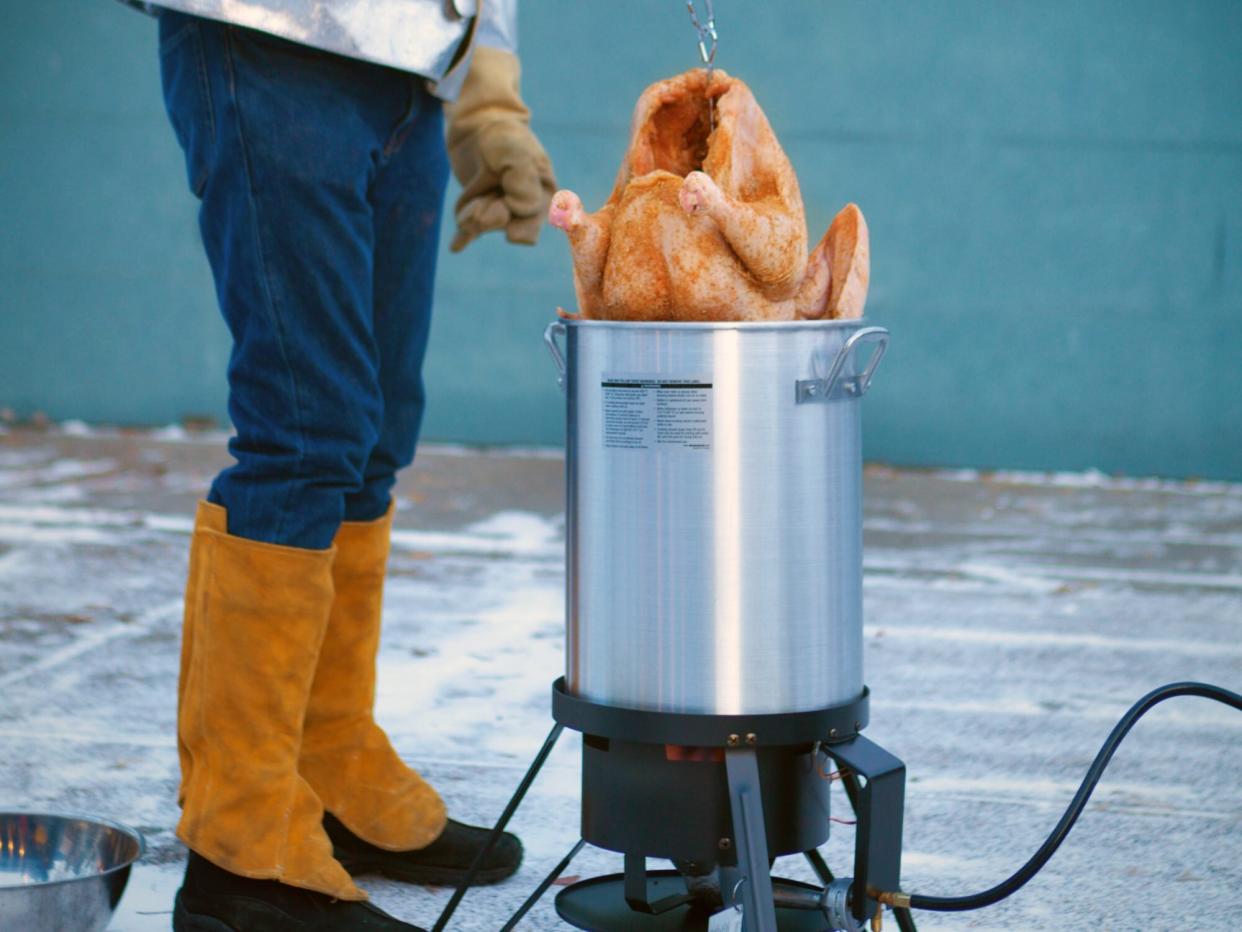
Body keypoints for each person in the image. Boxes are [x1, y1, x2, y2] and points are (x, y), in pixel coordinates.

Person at [128, 0, 556, 928]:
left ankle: (324, 763)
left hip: (411, 71)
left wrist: (489, 98)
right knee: (305, 429)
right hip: (274, 37)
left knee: (373, 436)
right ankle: (242, 850)